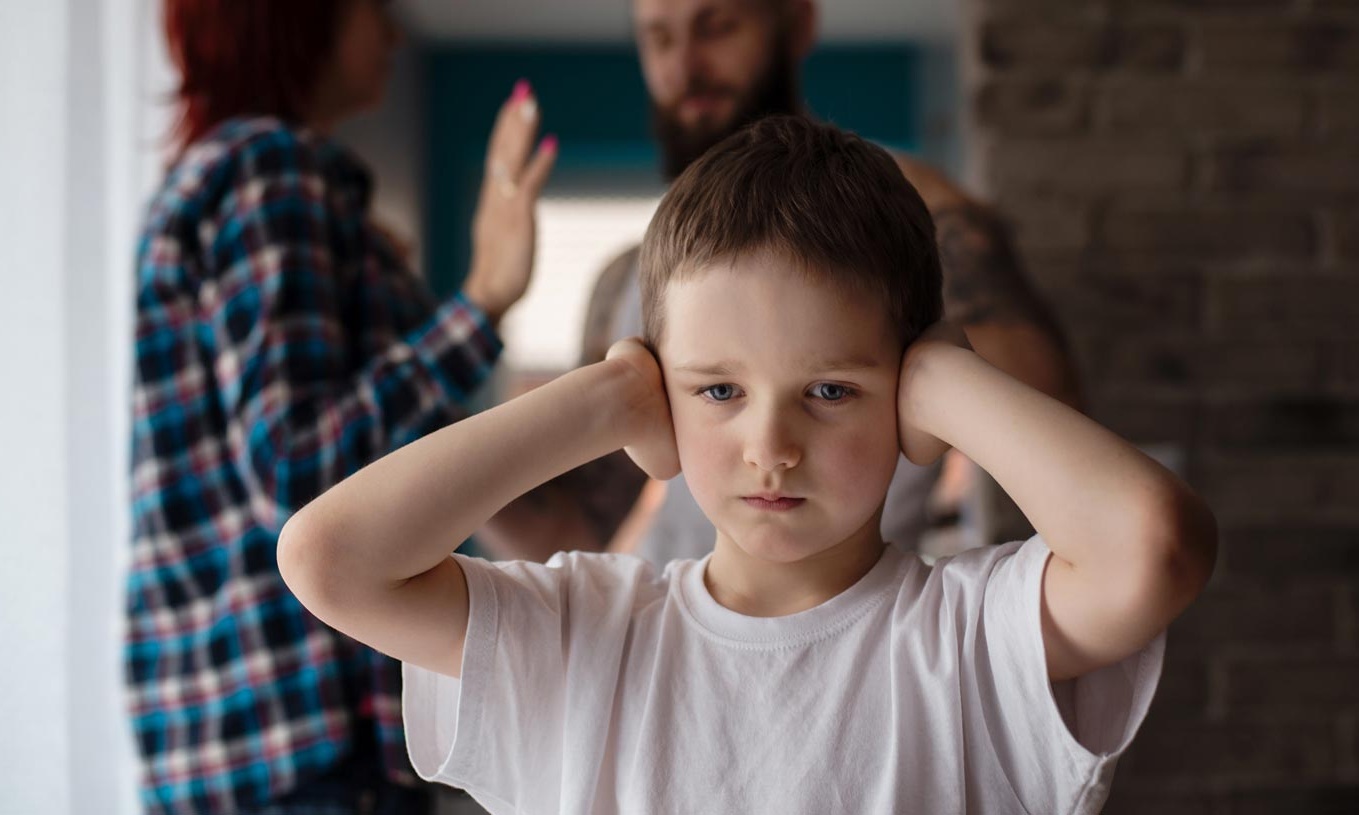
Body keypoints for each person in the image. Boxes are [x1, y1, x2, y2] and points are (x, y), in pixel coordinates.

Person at [278, 116, 1218, 813]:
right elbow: (328, 557)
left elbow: (1156, 545)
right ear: (660, 385)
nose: (771, 446)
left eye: (832, 390)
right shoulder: (584, 637)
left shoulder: (970, 638)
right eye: (717, 391)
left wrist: (945, 382)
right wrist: (602, 403)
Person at [125, 1, 555, 813]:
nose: (393, 34)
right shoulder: (270, 171)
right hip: (302, 731)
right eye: (374, 8)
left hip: (232, 732)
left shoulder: (217, 176)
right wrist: (482, 302)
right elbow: (296, 465)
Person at [479, 0, 1081, 566]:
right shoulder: (627, 280)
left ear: (797, 23)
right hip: (674, 640)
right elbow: (580, 533)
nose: (684, 68)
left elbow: (1047, 418)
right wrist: (474, 314)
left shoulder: (908, 223)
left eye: (716, 27)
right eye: (659, 37)